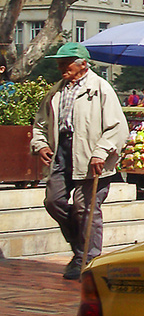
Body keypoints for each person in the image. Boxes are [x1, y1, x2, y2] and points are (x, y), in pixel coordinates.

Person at [30, 44, 127, 279]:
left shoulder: (101, 88)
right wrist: (40, 144)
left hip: (91, 154)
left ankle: (87, 257)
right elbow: (40, 124)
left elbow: (118, 127)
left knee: (87, 208)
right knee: (53, 201)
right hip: (62, 151)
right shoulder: (56, 91)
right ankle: (80, 244)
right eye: (60, 63)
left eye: (67, 62)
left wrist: (101, 152)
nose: (61, 67)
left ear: (83, 64)